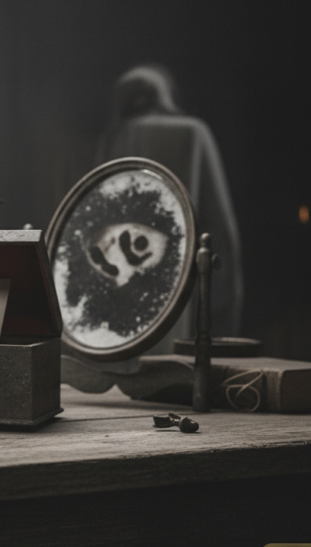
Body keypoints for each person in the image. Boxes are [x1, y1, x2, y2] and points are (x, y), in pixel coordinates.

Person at [97, 64, 244, 352]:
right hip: (177, 278)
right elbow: (221, 224)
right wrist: (227, 300)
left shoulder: (112, 138)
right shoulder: (192, 131)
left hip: (121, 282)